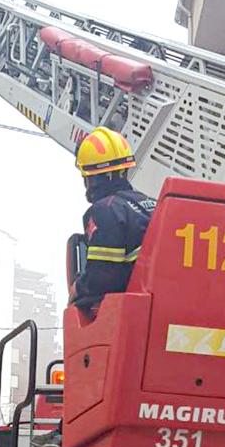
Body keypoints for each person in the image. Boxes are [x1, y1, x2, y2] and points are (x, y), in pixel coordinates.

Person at [71, 126, 157, 310]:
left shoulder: (105, 211)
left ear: (91, 179)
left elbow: (101, 277)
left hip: (130, 316)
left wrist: (77, 289)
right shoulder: (154, 205)